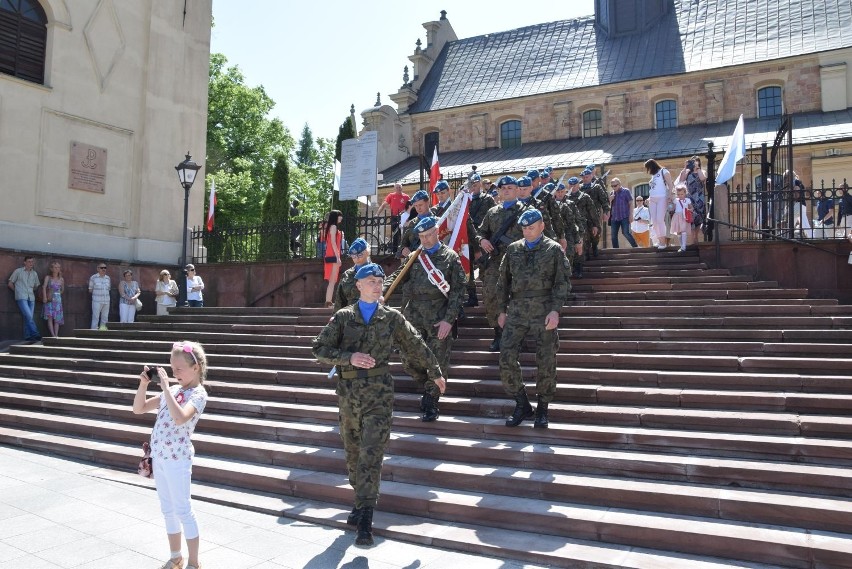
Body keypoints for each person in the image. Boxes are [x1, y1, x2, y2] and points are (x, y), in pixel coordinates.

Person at [312, 263, 446, 547]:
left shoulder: (392, 318)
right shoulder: (343, 317)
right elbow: (319, 349)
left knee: (372, 454)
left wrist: (435, 372)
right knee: (353, 456)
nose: (377, 285)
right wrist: (349, 357)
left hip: (379, 395)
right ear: (358, 285)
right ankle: (359, 502)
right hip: (349, 395)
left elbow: (415, 343)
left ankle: (365, 519)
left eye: (380, 281)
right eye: (371, 281)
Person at [133, 341, 209, 569]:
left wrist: (166, 388)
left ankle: (194, 563)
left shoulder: (199, 394)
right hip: (160, 457)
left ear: (195, 368)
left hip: (178, 459)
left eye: (179, 369)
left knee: (183, 509)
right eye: (171, 369)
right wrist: (143, 385)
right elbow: (139, 409)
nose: (174, 374)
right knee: (168, 509)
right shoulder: (175, 390)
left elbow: (180, 418)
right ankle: (176, 556)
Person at [384, 216, 466, 421]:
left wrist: (449, 319)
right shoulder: (415, 256)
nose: (426, 240)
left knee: (437, 359)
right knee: (409, 359)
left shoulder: (450, 257)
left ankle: (431, 399)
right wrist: (381, 291)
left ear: (437, 232)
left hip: (438, 316)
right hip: (413, 316)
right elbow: (397, 277)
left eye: (429, 235)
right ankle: (429, 384)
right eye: (421, 236)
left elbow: (457, 291)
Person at [497, 209, 571, 429]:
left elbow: (562, 283)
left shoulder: (553, 249)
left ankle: (542, 409)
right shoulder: (513, 249)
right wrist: (501, 310)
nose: (527, 232)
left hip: (543, 310)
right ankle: (522, 403)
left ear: (541, 226)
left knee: (546, 360)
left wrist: (555, 310)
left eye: (531, 227)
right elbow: (503, 282)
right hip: (517, 310)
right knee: (506, 358)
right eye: (524, 228)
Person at [476, 175, 528, 351]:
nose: (506, 191)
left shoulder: (525, 211)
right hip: (495, 262)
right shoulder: (492, 212)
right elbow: (480, 233)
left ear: (517, 190)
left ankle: (516, 337)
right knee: (491, 297)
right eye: (503, 188)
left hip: (517, 263)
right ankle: (498, 334)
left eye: (510, 188)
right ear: (499, 191)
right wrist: (483, 241)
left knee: (516, 299)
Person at [464, 174, 496, 307]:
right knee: (468, 270)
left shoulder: (487, 199)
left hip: (483, 239)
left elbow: (493, 219)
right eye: (471, 185)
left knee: (486, 270)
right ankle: (472, 296)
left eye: (476, 184)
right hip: (468, 240)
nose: (474, 187)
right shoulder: (466, 200)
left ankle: (489, 297)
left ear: (480, 185)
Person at [565, 176, 599, 279]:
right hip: (569, 226)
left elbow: (592, 212)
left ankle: (579, 268)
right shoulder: (565, 198)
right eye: (570, 185)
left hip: (582, 225)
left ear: (578, 185)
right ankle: (573, 268)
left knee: (581, 246)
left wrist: (595, 225)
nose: (572, 187)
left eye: (574, 185)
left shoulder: (585, 197)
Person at [8, 256, 41, 341]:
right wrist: (17, 291)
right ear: (24, 262)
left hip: (31, 297)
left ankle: (27, 336)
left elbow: (36, 285)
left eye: (32, 262)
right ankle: (36, 334)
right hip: (21, 297)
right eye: (29, 262)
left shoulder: (34, 273)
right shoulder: (18, 271)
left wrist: (31, 290)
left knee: (27, 317)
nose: (31, 263)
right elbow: (10, 283)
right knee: (29, 316)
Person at [333, 237, 371, 311]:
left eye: (360, 255)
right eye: (353, 255)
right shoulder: (347, 275)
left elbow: (383, 296)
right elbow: (339, 300)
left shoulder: (375, 271)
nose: (356, 258)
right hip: (350, 318)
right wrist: (336, 318)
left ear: (367, 252)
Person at [644, 159, 675, 249]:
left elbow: (670, 184)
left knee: (660, 220)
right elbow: (654, 188)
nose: (648, 170)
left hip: (662, 198)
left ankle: (663, 242)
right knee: (654, 221)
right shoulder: (653, 175)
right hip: (652, 199)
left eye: (648, 168)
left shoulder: (664, 171)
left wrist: (669, 196)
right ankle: (659, 240)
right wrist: (649, 198)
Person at [677, 156, 708, 244]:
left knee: (699, 217)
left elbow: (702, 178)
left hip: (699, 198)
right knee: (691, 217)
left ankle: (696, 236)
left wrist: (697, 168)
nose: (694, 163)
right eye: (693, 162)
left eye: (696, 162)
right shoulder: (687, 172)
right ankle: (692, 238)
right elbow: (681, 181)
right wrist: (685, 168)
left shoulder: (701, 171)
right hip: (690, 198)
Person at [580, 167, 610, 257]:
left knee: (596, 233)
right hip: (583, 215)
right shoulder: (580, 188)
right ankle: (588, 250)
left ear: (591, 177)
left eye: (587, 177)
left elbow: (604, 200)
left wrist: (606, 211)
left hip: (594, 214)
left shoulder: (596, 187)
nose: (585, 179)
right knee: (585, 233)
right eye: (583, 177)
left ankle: (595, 246)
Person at [375, 183, 410, 255]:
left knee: (404, 234)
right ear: (394, 189)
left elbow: (410, 207)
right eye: (397, 187)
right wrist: (377, 214)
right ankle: (395, 251)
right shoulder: (391, 195)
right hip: (394, 217)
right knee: (395, 234)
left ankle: (404, 251)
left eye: (400, 187)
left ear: (402, 188)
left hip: (404, 217)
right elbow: (383, 205)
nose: (398, 189)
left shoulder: (406, 197)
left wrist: (408, 215)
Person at [399, 190, 432, 257]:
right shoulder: (412, 223)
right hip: (415, 261)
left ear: (428, 202)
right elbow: (403, 244)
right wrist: (403, 250)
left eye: (420, 205)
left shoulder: (436, 220)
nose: (418, 208)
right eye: (416, 206)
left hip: (433, 260)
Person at [323, 210, 344, 308]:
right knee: (332, 281)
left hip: (330, 256)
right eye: (340, 216)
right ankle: (328, 303)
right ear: (335, 217)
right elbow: (333, 242)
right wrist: (338, 257)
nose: (341, 218)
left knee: (332, 281)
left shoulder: (330, 227)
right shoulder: (334, 227)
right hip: (333, 256)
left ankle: (328, 302)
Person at [608, 178, 638, 248]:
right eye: (612, 186)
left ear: (619, 184)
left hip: (624, 216)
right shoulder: (612, 193)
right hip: (614, 218)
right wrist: (610, 200)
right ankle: (615, 251)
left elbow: (631, 203)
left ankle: (635, 247)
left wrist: (631, 215)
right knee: (613, 236)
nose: (613, 187)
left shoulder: (626, 191)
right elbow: (608, 206)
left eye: (615, 185)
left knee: (626, 233)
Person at [41, 261, 64, 338]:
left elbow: (62, 290)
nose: (57, 269)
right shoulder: (48, 277)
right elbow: (44, 287)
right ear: (51, 269)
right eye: (55, 267)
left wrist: (58, 294)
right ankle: (52, 334)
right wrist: (45, 297)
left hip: (57, 300)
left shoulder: (61, 279)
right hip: (49, 299)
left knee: (57, 318)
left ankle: (56, 335)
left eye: (58, 267)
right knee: (50, 317)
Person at [671, 183, 694, 252]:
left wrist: (690, 210)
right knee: (678, 231)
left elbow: (691, 207)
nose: (680, 196)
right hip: (677, 216)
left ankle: (683, 246)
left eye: (682, 194)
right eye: (678, 194)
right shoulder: (676, 200)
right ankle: (681, 246)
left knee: (683, 230)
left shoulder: (687, 200)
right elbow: (673, 208)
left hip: (684, 216)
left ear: (685, 193)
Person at [88, 262, 111, 330]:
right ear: (98, 269)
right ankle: (93, 333)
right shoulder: (93, 277)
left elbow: (108, 289)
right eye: (102, 268)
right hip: (96, 301)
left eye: (105, 268)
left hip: (106, 301)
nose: (103, 269)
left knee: (105, 318)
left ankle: (102, 333)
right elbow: (90, 290)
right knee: (95, 317)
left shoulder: (108, 278)